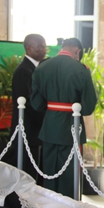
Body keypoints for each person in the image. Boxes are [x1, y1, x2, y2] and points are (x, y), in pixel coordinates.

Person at [31, 38, 97, 198]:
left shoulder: (42, 67)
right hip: (71, 129)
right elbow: (88, 107)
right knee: (70, 178)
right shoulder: (82, 70)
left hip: (49, 129)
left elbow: (36, 103)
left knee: (50, 174)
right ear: (77, 51)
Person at [7, 34, 47, 185]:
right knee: (27, 173)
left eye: (44, 46)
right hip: (28, 129)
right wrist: (46, 118)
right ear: (29, 48)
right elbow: (28, 102)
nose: (44, 50)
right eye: (40, 47)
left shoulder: (36, 68)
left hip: (34, 130)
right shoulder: (24, 70)